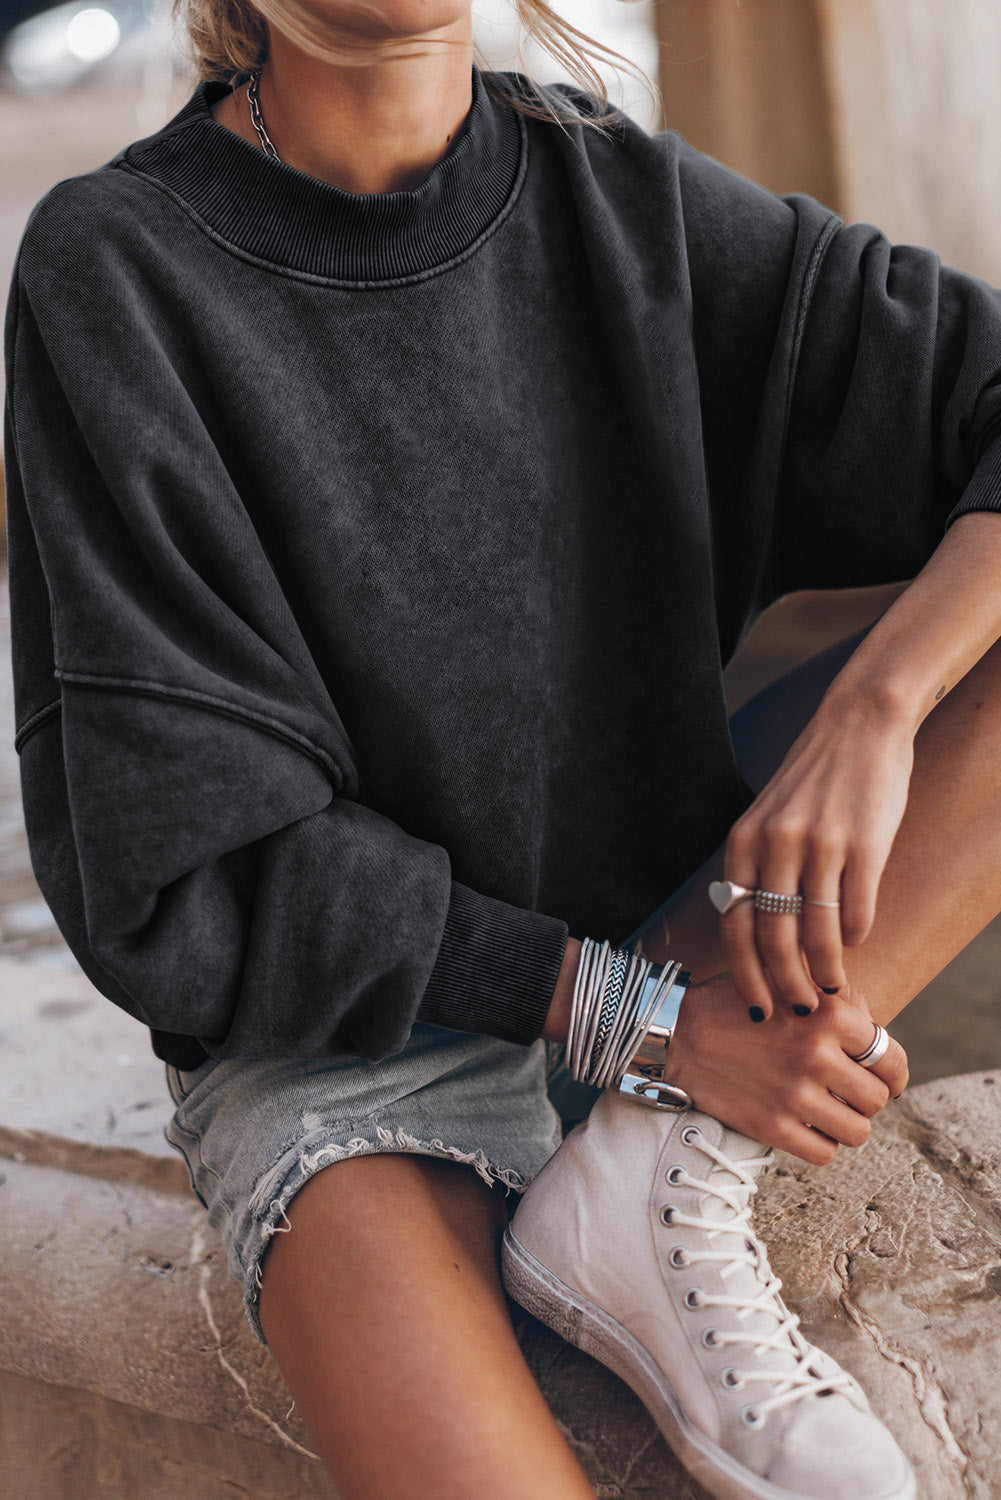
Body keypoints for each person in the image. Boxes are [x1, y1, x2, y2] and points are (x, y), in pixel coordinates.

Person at [4, 0, 1001, 1490]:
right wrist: (642, 1026)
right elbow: (195, 866)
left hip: (683, 942)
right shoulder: (117, 268)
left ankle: (656, 1171)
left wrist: (879, 702)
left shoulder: (615, 194)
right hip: (350, 1055)